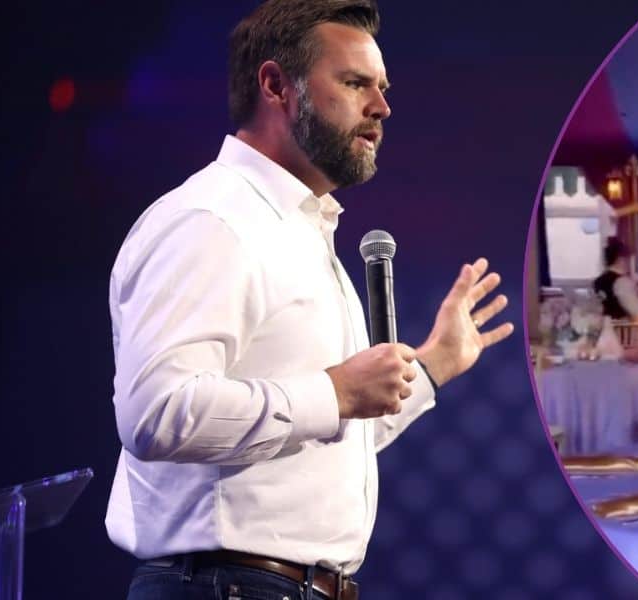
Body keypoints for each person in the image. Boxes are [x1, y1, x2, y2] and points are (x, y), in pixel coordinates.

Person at [106, 2, 514, 599]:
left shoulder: (299, 231)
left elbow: (326, 432)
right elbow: (156, 413)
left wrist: (430, 366)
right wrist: (336, 391)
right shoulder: (213, 220)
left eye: (382, 87)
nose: (381, 107)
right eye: (354, 83)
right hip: (228, 587)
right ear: (276, 86)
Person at [593, 237, 638, 320]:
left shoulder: (597, 282)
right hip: (625, 328)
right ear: (621, 259)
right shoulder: (623, 283)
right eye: (630, 259)